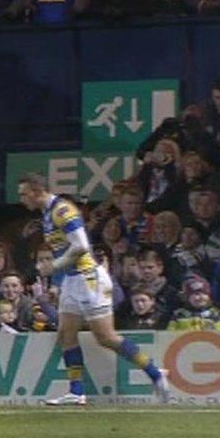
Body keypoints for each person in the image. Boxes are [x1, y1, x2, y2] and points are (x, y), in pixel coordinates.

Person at [17, 173, 170, 405]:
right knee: (66, 334)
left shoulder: (62, 210)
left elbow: (81, 245)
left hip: (89, 279)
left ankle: (155, 373)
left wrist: (54, 266)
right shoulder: (48, 213)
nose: (21, 199)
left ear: (37, 191)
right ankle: (77, 392)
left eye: (24, 193)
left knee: (106, 337)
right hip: (72, 279)